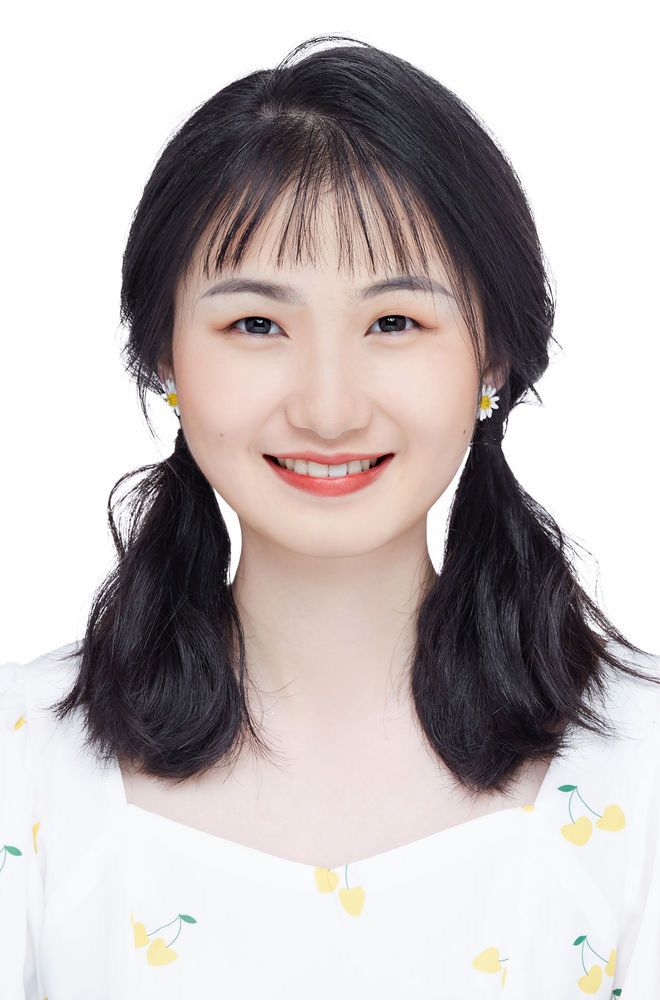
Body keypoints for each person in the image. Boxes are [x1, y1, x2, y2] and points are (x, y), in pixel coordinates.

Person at [2, 33, 659, 999]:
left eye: (394, 322)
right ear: (164, 358)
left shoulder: (642, 771)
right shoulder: (24, 760)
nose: (328, 407)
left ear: (491, 358)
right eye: (256, 324)